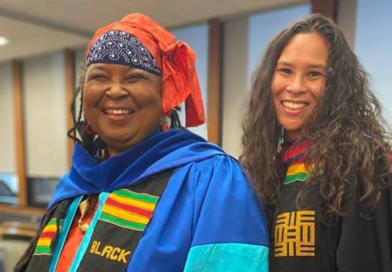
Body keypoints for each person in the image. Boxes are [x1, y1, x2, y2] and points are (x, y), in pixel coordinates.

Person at [15, 13, 269, 272]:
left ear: (165, 96)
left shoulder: (209, 181)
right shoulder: (75, 188)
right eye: (100, 77)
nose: (114, 91)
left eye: (135, 77)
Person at [241, 14, 392, 272]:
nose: (296, 86)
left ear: (335, 85)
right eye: (285, 71)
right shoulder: (265, 169)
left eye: (314, 74)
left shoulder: (359, 162)